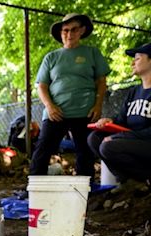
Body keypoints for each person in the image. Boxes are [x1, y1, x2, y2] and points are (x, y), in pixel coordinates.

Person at [29, 13, 110, 178]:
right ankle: (34, 189)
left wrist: (98, 105)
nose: (69, 34)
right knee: (42, 150)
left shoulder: (92, 53)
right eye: (65, 30)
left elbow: (101, 81)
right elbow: (41, 86)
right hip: (56, 112)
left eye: (74, 29)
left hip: (85, 111)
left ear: (82, 31)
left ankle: (85, 191)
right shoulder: (51, 57)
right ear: (61, 33)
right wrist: (49, 106)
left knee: (85, 152)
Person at [88, 42, 151, 187]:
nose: (132, 63)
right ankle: (128, 181)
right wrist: (108, 122)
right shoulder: (134, 92)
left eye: (138, 58)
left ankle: (147, 177)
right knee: (95, 138)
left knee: (108, 146)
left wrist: (120, 137)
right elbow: (122, 120)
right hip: (133, 142)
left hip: (146, 143)